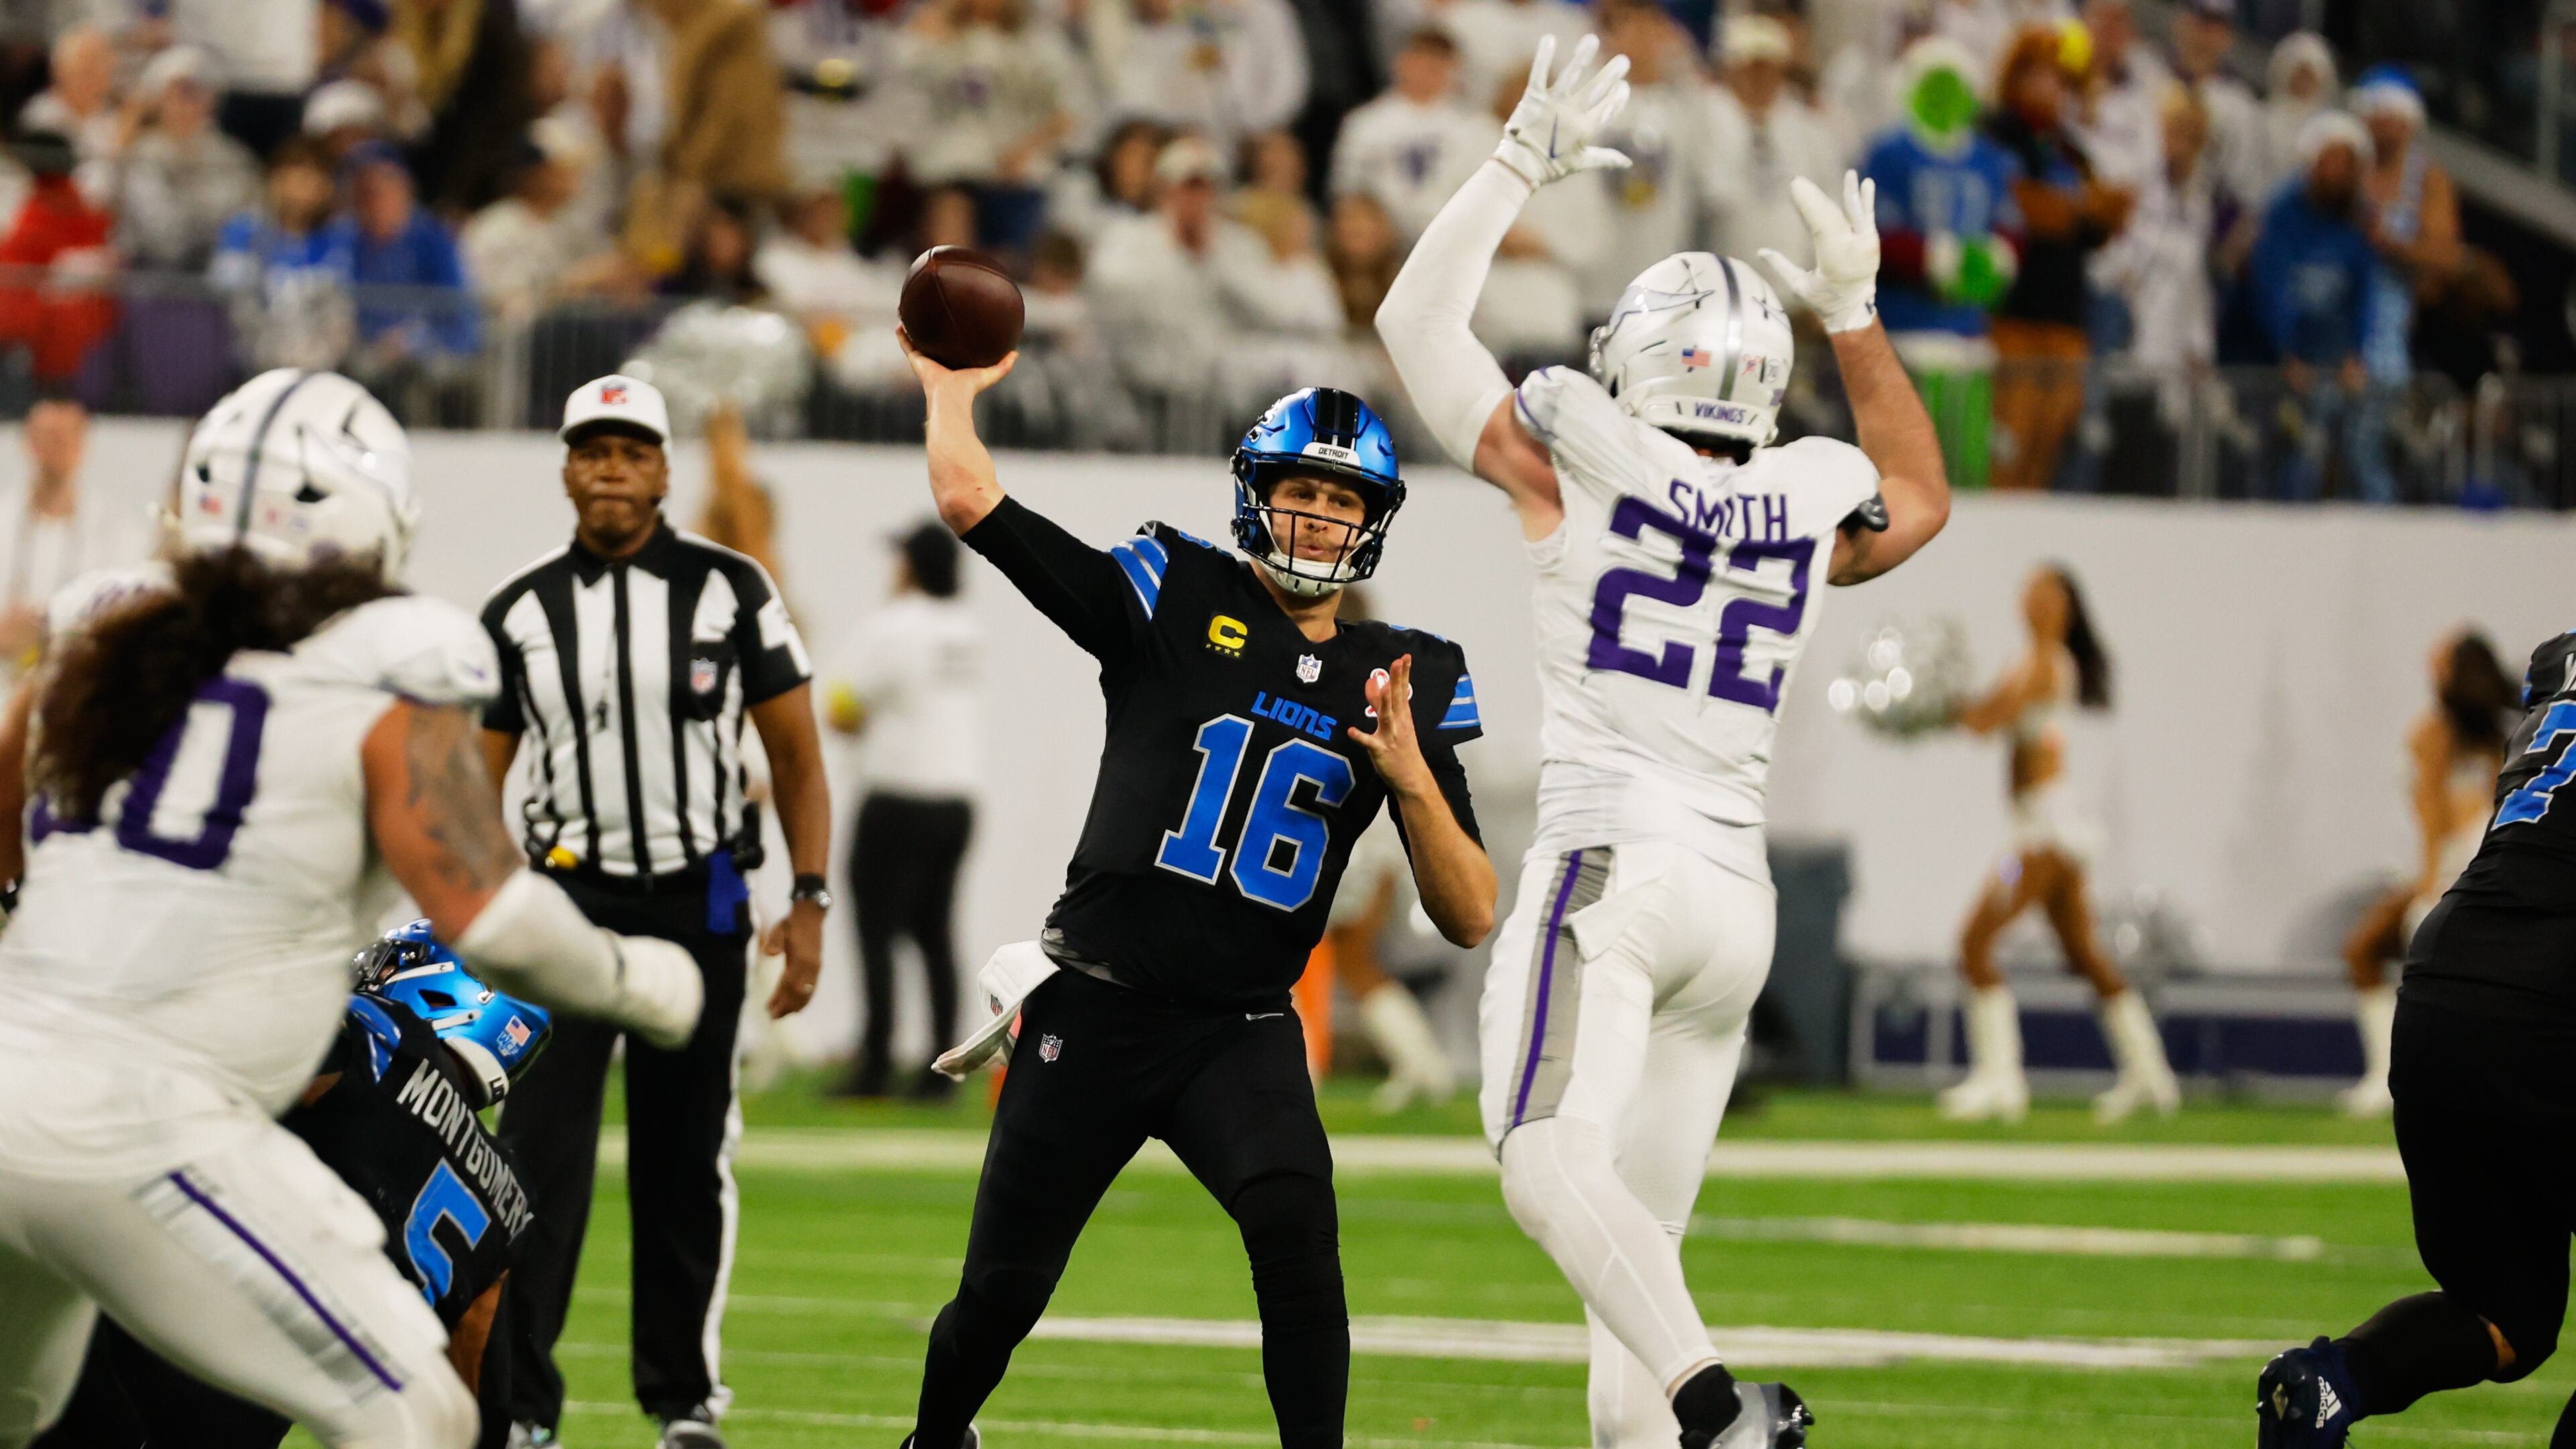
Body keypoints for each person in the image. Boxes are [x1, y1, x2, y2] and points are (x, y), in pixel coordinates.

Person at [1375, 36, 1952, 1449]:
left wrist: (1516, 162)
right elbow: (1922, 497)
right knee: (1634, 1270)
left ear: (1630, 359)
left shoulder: (1578, 453)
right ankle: (1679, 1413)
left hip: (1613, 868)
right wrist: (1860, 319)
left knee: (1539, 1161)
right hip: (1731, 901)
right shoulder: (1810, 495)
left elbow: (1413, 329)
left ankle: (1719, 1410)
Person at [0, 366, 704, 1449]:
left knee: (25, 1415)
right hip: (149, 1126)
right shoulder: (389, 671)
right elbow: (495, 917)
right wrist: (641, 983)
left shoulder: (97, 636)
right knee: (412, 1413)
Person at [892, 346, 1495, 1448]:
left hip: (1242, 1028)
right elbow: (972, 500)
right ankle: (934, 1443)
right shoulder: (1174, 591)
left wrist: (1412, 781)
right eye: (1299, 493)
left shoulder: (1402, 674)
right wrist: (949, 388)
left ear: (1374, 520)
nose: (1317, 518)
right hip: (1099, 1004)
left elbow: (1471, 914)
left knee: (1298, 1238)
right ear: (1255, 499)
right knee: (1002, 1296)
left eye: (1341, 499)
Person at [480, 374, 833, 1449]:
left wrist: (809, 901)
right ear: (566, 468)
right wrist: (497, 912)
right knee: (532, 1165)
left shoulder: (733, 589)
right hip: (567, 905)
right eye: (593, 452)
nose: (611, 472)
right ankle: (524, 1410)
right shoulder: (521, 609)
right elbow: (474, 781)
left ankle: (682, 1402)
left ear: (666, 470)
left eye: (632, 453)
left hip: (701, 898)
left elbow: (798, 760)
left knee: (686, 1163)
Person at [32, 922, 554, 1449]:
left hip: (151, 1339)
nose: (372, 970)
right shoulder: (507, 1194)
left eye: (392, 962)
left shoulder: (384, 1040)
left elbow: (213, 1054)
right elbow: (476, 1410)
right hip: (251, 1410)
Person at [2255, 628, 2576, 1448]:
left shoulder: (2559, 660)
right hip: (2553, 994)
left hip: (2444, 984)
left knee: (2505, 1315)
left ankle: (2332, 1385)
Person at [1937, 566, 2176, 1122]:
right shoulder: (2026, 662)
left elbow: (1990, 719)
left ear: (2067, 608)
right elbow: (1982, 713)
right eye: (2029, 592)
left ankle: (2000, 1080)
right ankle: (2150, 1075)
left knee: (1975, 942)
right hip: (2049, 832)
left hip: (2044, 835)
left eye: (2048, 594)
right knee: (2083, 954)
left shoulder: (2047, 664)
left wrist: (1942, 708)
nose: (2035, 602)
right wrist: (1938, 706)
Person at [824, 521, 982, 1100]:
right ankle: (943, 1069)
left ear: (909, 568)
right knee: (936, 932)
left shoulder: (891, 628)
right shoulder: (966, 631)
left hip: (896, 796)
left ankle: (876, 1062)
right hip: (958, 799)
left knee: (875, 931)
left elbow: (842, 706)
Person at [2336, 631, 2515, 1118]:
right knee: (2368, 950)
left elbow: (2433, 815)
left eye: (2438, 661)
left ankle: (2404, 1075)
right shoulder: (2493, 733)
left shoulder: (2449, 734)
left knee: (2420, 963)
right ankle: (2392, 1074)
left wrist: (2432, 881)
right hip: (2477, 865)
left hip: (2463, 868)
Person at [1864, 35, 2020, 492]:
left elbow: (2011, 227)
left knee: (1967, 465)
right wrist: (1935, 260)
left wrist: (1998, 259)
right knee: (1904, 467)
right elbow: (1874, 232)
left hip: (1970, 334)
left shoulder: (1989, 159)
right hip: (1903, 333)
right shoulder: (1889, 153)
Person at [1986, 24, 2129, 492]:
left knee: (2050, 441)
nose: (2051, 89)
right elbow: (2019, 206)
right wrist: (2077, 207)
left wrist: (2087, 211)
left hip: (2065, 318)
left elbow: (2098, 227)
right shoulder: (1995, 135)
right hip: (2011, 313)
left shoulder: (2071, 149)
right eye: (2040, 75)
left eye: (2060, 80)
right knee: (2006, 438)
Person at [2250, 111, 2382, 502]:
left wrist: (2356, 353)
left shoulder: (2358, 219)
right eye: (2332, 161)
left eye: (2348, 163)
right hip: (2280, 358)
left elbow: (2363, 293)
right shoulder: (2282, 212)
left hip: (2334, 358)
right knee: (2283, 458)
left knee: (2351, 455)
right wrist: (2286, 351)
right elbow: (2271, 288)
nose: (2340, 172)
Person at [1701, 15, 1847, 291]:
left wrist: (1829, 289)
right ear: (1729, 68)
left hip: (1795, 293)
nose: (1758, 76)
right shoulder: (1703, 120)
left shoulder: (1811, 130)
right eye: (1749, 66)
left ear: (1782, 69)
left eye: (1767, 66)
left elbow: (1832, 209)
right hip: (1719, 289)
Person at [0, 399, 142, 678]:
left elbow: (131, 620)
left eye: (68, 436)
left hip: (79, 690)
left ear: (84, 444)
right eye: (49, 437)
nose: (58, 447)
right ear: (27, 442)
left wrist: (53, 634)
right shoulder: (5, 518)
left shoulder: (119, 529)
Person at [1328, 28, 1494, 243]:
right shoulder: (1365, 123)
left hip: (1453, 239)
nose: (1428, 68)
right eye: (1421, 57)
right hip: (1383, 246)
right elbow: (1346, 191)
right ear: (1401, 62)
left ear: (1454, 68)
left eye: (1438, 61)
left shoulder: (1476, 128)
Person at [109, 45, 262, 272]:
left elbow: (254, 217)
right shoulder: (143, 154)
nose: (188, 103)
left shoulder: (232, 155)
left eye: (197, 93)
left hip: (222, 278)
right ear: (159, 98)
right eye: (178, 93)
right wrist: (220, 226)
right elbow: (164, 236)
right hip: (157, 279)